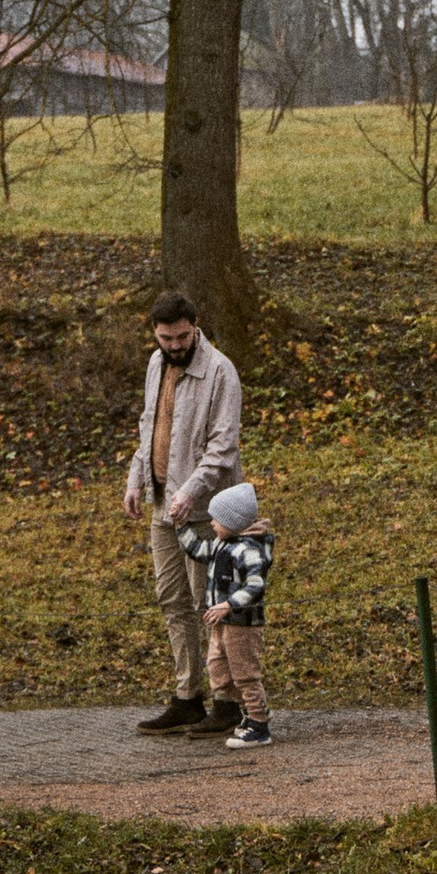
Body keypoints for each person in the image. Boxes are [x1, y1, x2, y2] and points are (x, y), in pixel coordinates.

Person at [121, 293, 242, 734]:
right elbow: (147, 425)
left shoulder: (220, 371)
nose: (174, 345)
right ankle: (188, 696)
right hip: (162, 504)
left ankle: (228, 701)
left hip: (207, 510)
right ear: (154, 332)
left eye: (182, 336)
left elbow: (223, 447)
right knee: (172, 601)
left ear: (196, 325)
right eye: (165, 337)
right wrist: (136, 480)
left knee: (209, 602)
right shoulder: (156, 365)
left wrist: (191, 493)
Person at [177, 480, 275, 750]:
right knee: (219, 672)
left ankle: (258, 725)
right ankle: (254, 712)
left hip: (242, 625)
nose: (211, 523)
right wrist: (180, 525)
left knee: (244, 673)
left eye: (216, 519)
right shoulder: (222, 544)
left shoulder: (248, 550)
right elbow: (197, 549)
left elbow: (255, 586)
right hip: (220, 624)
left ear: (233, 521)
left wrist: (229, 604)